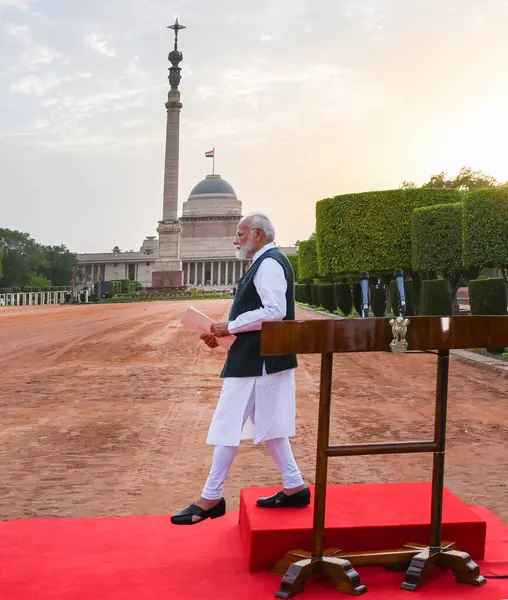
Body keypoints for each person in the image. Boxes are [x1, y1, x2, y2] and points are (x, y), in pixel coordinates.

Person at [171, 212, 310, 525]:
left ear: (257, 234)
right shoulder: (265, 263)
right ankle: (295, 486)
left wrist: (230, 325)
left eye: (240, 233)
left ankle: (211, 496)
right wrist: (225, 333)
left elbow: (275, 311)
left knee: (228, 423)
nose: (235, 239)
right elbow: (263, 314)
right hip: (260, 357)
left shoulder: (269, 263)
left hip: (257, 362)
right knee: (270, 426)